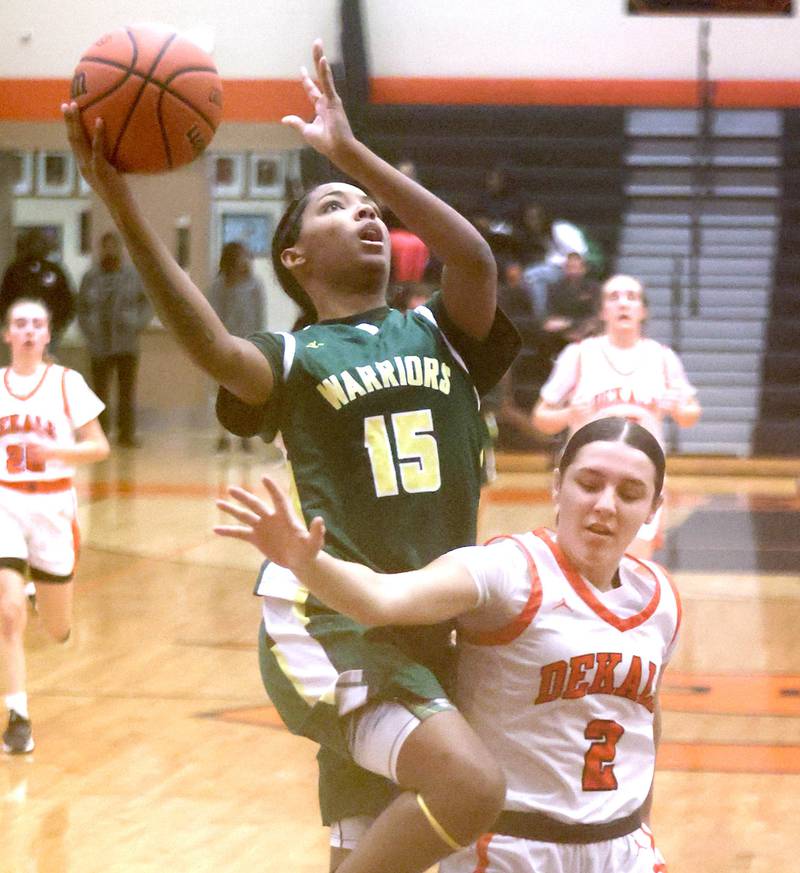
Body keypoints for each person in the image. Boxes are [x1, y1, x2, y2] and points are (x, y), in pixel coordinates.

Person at [63, 38, 519, 873]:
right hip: (330, 622)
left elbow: (475, 258)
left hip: (425, 618)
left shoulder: (444, 333)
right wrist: (121, 204)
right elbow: (206, 340)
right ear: (296, 258)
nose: (368, 214)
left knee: (375, 853)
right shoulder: (292, 356)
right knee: (470, 787)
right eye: (338, 207)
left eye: (372, 207)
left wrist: (352, 154)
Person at [215, 416, 678, 873]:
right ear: (558, 486)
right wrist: (306, 562)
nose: (605, 505)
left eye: (630, 493)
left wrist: (644, 829)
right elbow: (382, 598)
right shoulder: (507, 571)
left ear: (654, 508)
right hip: (515, 849)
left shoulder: (659, 600)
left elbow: (643, 723)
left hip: (622, 850)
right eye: (589, 484)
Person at [0, 298, 109, 754]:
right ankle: (18, 716)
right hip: (5, 500)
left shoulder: (67, 383)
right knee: (7, 611)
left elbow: (99, 448)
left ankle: (49, 605)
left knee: (57, 630)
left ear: (47, 335)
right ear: (7, 334)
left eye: (36, 324)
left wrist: (55, 454)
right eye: (19, 324)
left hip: (54, 509)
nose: (28, 331)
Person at [531, 273, 701, 558]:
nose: (624, 303)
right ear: (602, 310)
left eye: (632, 297)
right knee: (580, 561)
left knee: (635, 563)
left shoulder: (662, 357)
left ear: (643, 310)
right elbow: (541, 417)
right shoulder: (579, 354)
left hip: (640, 476)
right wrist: (569, 413)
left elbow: (690, 414)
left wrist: (678, 407)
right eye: (614, 297)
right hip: (588, 477)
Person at [76, 231, 152, 448]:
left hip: (126, 343)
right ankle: (100, 434)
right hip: (99, 343)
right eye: (106, 246)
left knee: (126, 391)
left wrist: (137, 323)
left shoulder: (133, 276)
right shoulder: (90, 277)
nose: (110, 251)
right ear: (101, 249)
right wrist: (88, 330)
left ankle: (126, 434)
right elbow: (81, 307)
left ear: (120, 249)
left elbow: (147, 303)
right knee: (99, 391)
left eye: (114, 246)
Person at [207, 241, 266, 452]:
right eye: (241, 256)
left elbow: (260, 316)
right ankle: (222, 436)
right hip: (225, 346)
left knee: (247, 393)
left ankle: (246, 436)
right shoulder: (219, 285)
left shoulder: (255, 285)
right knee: (222, 391)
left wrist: (260, 342)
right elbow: (211, 316)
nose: (245, 260)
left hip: (249, 345)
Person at [0, 228, 75, 352]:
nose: (36, 247)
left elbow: (66, 299)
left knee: (44, 364)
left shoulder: (54, 270)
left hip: (49, 328)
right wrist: (8, 323)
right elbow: (4, 299)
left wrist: (59, 324)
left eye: (40, 243)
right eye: (32, 243)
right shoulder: (15, 270)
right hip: (21, 329)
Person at [518, 203, 588, 321]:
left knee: (531, 275)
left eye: (535, 219)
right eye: (529, 219)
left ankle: (541, 317)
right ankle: (541, 313)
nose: (532, 223)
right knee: (531, 279)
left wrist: (567, 265)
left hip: (573, 267)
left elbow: (579, 252)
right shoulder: (545, 234)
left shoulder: (560, 229)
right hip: (557, 267)